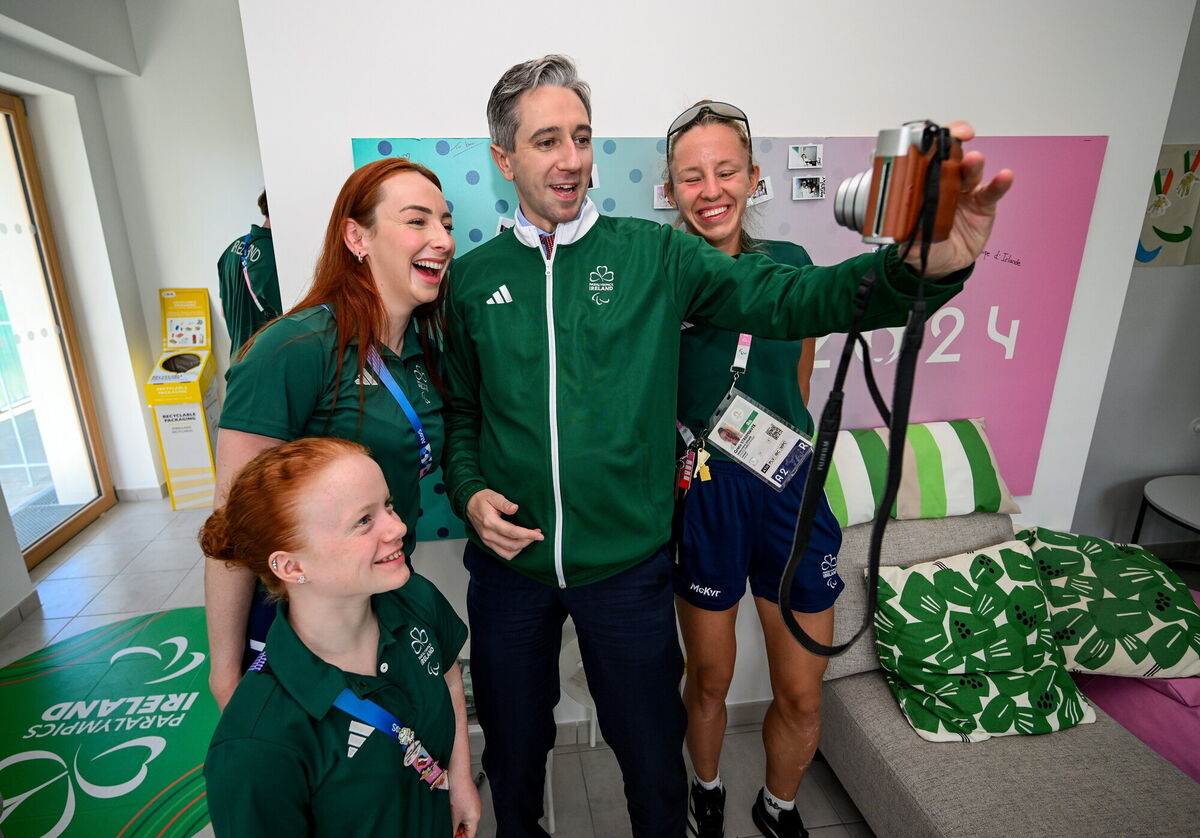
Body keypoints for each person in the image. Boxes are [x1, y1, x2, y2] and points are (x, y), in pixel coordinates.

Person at [442, 54, 1012, 838]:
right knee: (513, 753)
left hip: (629, 571)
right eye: (546, 141)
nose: (571, 158)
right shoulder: (470, 281)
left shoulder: (656, 254)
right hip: (509, 573)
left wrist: (920, 270)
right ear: (505, 158)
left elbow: (789, 296)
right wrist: (470, 491)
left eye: (581, 136)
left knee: (650, 761)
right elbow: (461, 412)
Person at [205, 158, 453, 712]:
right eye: (417, 221)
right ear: (355, 236)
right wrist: (224, 675)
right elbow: (229, 528)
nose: (441, 239)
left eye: (446, 223)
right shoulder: (293, 350)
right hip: (300, 627)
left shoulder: (418, 350)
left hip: (381, 605)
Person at [660, 100, 837, 838]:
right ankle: (705, 791)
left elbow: (798, 384)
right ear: (670, 191)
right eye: (691, 177)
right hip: (705, 496)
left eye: (725, 170)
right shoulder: (659, 281)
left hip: (788, 490)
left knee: (801, 693)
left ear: (754, 177)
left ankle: (779, 807)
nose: (711, 190)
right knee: (710, 679)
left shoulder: (790, 269)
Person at [201, 437, 480, 837]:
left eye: (387, 505)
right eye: (363, 521)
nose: (397, 526)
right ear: (291, 566)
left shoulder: (415, 598)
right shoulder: (256, 745)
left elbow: (447, 676)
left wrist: (461, 782)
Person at [217, 189, 283, 358]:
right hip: (265, 364)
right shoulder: (274, 256)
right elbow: (292, 318)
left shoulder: (231, 250)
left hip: (238, 360)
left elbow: (224, 311)